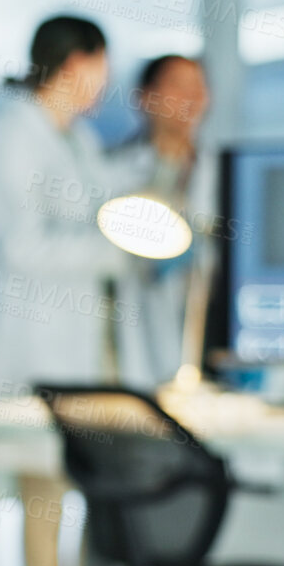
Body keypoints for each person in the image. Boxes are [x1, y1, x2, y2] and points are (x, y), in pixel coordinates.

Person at [0, 15, 139, 566]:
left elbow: (103, 203)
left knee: (82, 501)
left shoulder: (75, 137)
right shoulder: (10, 135)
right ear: (77, 63)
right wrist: (113, 254)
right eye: (100, 67)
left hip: (83, 352)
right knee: (44, 504)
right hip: (33, 350)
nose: (104, 82)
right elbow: (18, 247)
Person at [110, 54, 213, 391]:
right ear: (146, 96)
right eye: (178, 86)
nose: (191, 97)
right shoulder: (113, 171)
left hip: (201, 337)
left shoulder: (217, 172)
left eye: (198, 87)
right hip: (133, 339)